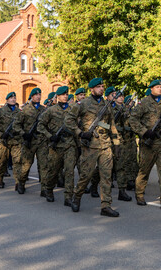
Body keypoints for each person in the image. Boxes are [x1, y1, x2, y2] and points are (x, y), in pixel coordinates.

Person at [66, 77, 121, 217]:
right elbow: (68, 120)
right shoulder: (82, 104)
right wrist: (80, 133)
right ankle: (76, 197)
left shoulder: (107, 104)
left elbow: (111, 125)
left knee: (106, 176)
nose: (101, 88)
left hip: (105, 145)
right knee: (86, 175)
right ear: (92, 89)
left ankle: (106, 206)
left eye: (103, 86)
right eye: (98, 87)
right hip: (90, 146)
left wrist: (116, 143)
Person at [129, 79, 161, 210]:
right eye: (157, 87)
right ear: (151, 89)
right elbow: (133, 119)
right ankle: (139, 194)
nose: (160, 89)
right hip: (148, 143)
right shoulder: (143, 103)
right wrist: (144, 132)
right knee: (144, 170)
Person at [38, 86, 76, 203]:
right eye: (63, 94)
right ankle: (48, 189)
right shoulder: (51, 110)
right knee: (53, 171)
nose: (65, 96)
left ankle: (68, 197)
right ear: (58, 96)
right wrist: (50, 136)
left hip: (69, 144)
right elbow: (40, 125)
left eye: (66, 94)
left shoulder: (73, 110)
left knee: (69, 171)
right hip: (56, 146)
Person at [14, 88, 48, 195]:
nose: (38, 96)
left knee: (44, 165)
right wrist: (24, 134)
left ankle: (44, 188)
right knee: (26, 165)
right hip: (29, 141)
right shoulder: (25, 110)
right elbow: (16, 125)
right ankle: (21, 183)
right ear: (32, 96)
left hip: (41, 140)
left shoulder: (44, 109)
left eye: (40, 94)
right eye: (36, 95)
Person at [0, 92, 22, 188]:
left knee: (17, 162)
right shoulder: (1, 111)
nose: (13, 99)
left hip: (15, 140)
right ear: (7, 100)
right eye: (11, 98)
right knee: (2, 161)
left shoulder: (19, 112)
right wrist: (0, 134)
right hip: (3, 141)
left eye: (14, 98)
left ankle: (18, 182)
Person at [112, 91, 132, 201]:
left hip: (120, 140)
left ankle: (122, 191)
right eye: (118, 96)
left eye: (122, 96)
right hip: (108, 140)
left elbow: (128, 122)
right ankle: (94, 185)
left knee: (120, 165)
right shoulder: (109, 108)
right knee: (104, 167)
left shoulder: (125, 109)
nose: (121, 98)